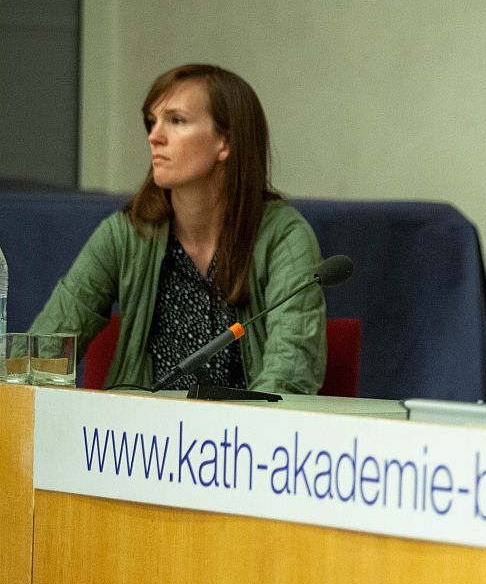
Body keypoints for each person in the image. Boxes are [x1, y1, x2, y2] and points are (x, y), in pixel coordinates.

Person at [30, 63, 326, 392]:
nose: (154, 137)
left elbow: (290, 369)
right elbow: (42, 352)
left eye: (176, 121)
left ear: (225, 142)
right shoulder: (124, 235)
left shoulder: (284, 236)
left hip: (244, 425)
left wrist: (240, 424)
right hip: (142, 425)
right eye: (152, 121)